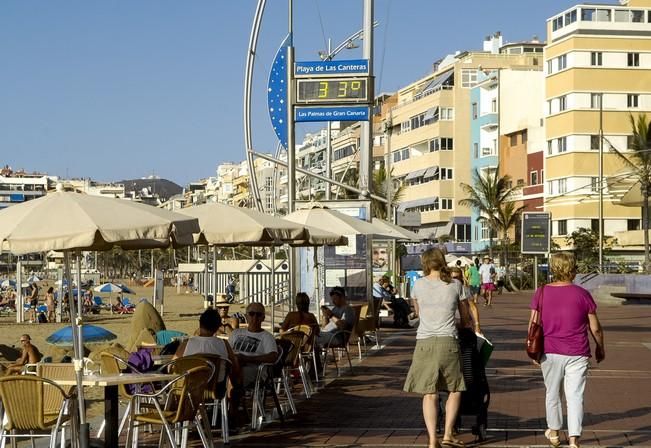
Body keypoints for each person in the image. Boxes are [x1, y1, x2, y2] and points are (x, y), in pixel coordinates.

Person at [529, 252, 605, 448]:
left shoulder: (542, 292)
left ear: (553, 269)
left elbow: (533, 323)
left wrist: (533, 350)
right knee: (575, 396)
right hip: (578, 351)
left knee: (552, 393)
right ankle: (573, 440)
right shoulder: (583, 294)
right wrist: (600, 347)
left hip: (550, 350)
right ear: (573, 269)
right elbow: (595, 327)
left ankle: (554, 433)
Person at [403, 248, 471, 448]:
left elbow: (419, 313)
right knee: (455, 388)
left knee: (429, 392)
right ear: (442, 262)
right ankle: (448, 433)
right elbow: (465, 317)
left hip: (424, 342)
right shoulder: (455, 285)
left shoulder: (418, 285)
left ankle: (433, 439)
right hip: (448, 341)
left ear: (425, 263)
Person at [174, 308, 239, 382]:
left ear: (200, 323)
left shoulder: (186, 344)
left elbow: (171, 366)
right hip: (217, 388)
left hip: (190, 389)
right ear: (217, 327)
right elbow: (234, 368)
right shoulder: (224, 344)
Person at [229, 302, 278, 387]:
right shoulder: (235, 333)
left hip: (254, 370)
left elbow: (273, 357)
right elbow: (228, 351)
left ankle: (234, 394)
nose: (255, 317)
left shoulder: (267, 337)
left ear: (263, 318)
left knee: (233, 371)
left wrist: (248, 359)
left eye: (258, 315)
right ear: (246, 316)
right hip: (234, 365)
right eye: (251, 314)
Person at [450, 266, 481, 334]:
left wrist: (477, 325)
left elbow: (473, 308)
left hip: (465, 324)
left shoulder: (465, 289)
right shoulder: (446, 290)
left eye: (456, 278)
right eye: (452, 278)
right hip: (451, 325)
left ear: (461, 277)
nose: (454, 280)